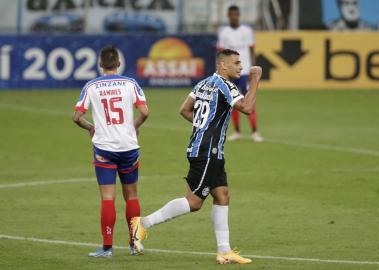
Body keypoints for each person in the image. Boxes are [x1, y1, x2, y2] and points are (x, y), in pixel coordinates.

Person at [130, 49, 262, 264]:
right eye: (236, 63)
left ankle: (224, 251)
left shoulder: (203, 84)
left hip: (207, 151)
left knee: (222, 196)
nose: (241, 67)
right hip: (207, 152)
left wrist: (203, 127)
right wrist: (255, 79)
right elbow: (246, 107)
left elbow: (184, 109)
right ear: (223, 66)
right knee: (194, 202)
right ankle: (143, 223)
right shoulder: (226, 86)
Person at [72, 45, 149, 257]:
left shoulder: (91, 86)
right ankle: (135, 244)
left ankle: (107, 248)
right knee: (131, 195)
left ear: (100, 64)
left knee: (108, 198)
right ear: (118, 63)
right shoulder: (130, 83)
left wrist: (90, 127)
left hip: (104, 147)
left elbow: (77, 117)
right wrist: (134, 126)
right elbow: (145, 111)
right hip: (129, 147)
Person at [217, 5, 263, 142]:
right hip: (231, 73)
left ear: (239, 15)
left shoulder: (246, 31)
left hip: (245, 70)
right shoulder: (224, 32)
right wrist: (220, 70)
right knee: (233, 102)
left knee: (249, 100)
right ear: (228, 16)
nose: (234, 17)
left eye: (236, 15)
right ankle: (237, 131)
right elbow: (220, 53)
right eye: (231, 15)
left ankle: (255, 132)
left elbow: (252, 50)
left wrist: (253, 69)